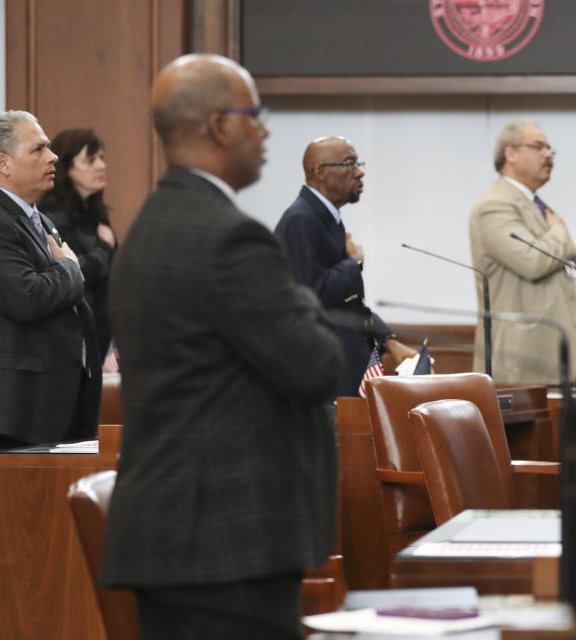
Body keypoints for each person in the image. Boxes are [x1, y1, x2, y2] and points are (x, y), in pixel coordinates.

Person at [99, 54, 343, 639]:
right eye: (254, 115)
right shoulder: (229, 237)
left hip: (179, 539)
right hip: (228, 544)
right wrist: (305, 295)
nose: (263, 132)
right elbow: (317, 364)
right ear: (218, 125)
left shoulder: (149, 227)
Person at [0, 111, 101, 547]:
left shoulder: (36, 218)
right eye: (38, 148)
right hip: (17, 413)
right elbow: (29, 297)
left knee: (49, 542)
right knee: (16, 540)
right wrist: (72, 269)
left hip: (51, 406)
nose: (52, 156)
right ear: (3, 163)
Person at [275, 136, 412, 397]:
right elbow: (311, 292)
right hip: (322, 366)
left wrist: (387, 339)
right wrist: (353, 263)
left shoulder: (325, 216)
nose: (359, 173)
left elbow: (347, 301)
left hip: (343, 358)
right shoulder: (301, 219)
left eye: (357, 163)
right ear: (319, 171)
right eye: (349, 163)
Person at [469, 119, 576, 385]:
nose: (548, 155)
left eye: (550, 149)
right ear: (510, 153)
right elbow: (532, 262)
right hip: (523, 364)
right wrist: (559, 230)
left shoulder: (534, 204)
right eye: (538, 147)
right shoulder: (494, 206)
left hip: (554, 355)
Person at [39, 127, 116, 362]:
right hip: (74, 343)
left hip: (104, 340)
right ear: (68, 168)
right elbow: (74, 273)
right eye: (91, 160)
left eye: (101, 158)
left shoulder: (96, 215)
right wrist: (104, 247)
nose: (101, 166)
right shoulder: (51, 212)